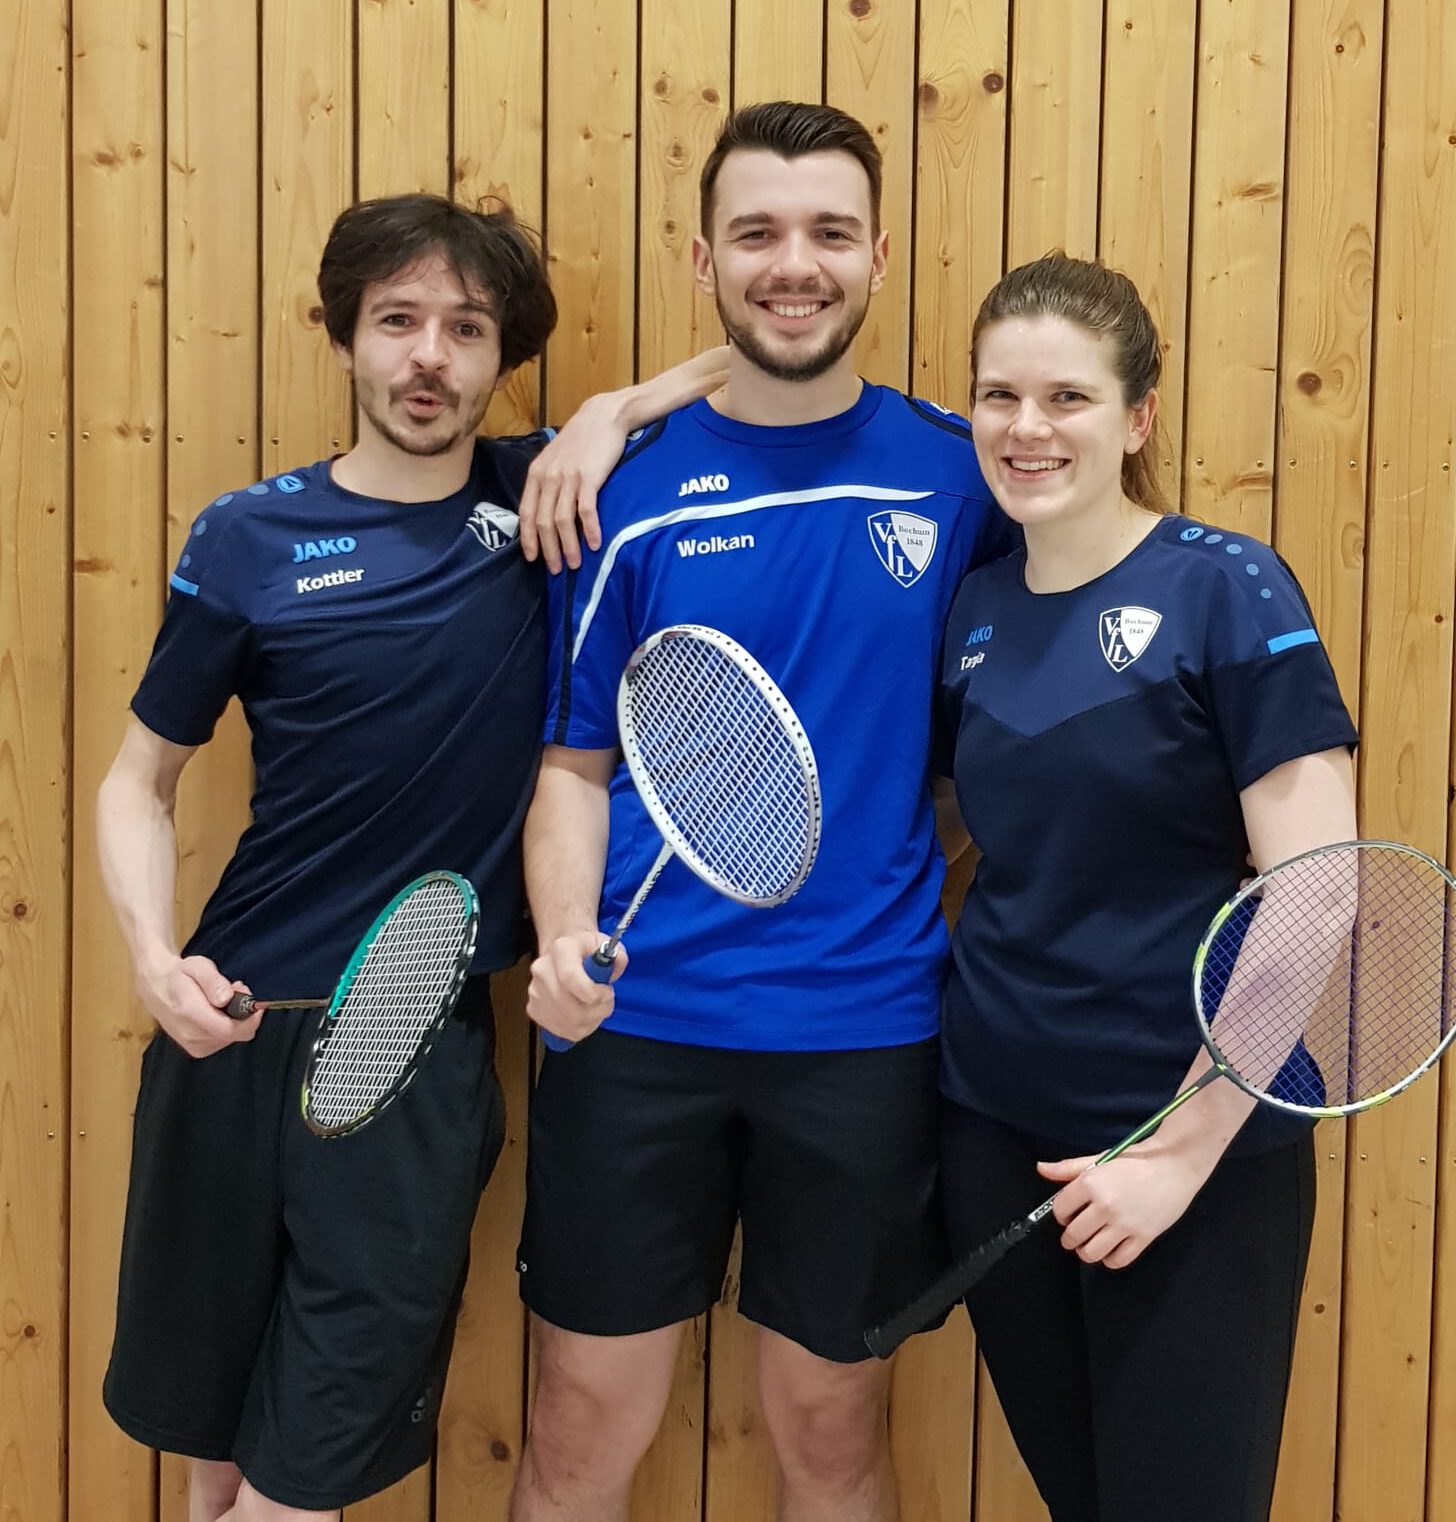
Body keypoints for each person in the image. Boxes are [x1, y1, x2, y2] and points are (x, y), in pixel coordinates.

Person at [96, 191, 724, 1522]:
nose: (429, 355)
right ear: (343, 335)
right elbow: (137, 783)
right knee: (214, 1467)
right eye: (397, 320)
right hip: (230, 1027)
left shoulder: (540, 501)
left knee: (292, 1491)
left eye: (467, 327)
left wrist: (608, 414)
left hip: (408, 1043)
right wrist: (153, 959)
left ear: (502, 359)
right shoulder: (246, 536)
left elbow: (759, 362)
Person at [510, 101, 1008, 1522]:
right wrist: (564, 936)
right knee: (576, 1431)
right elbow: (573, 765)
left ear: (880, 256)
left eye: (831, 232)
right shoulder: (621, 493)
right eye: (758, 234)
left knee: (832, 1435)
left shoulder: (961, 474)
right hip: (634, 1028)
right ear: (704, 258)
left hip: (864, 1033)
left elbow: (993, 741)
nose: (796, 264)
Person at [933, 252, 1359, 1522]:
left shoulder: (1226, 585)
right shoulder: (973, 609)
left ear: (1137, 418)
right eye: (1000, 396)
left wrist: (1178, 1156)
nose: (1027, 427)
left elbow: (1317, 892)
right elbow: (960, 836)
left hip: (1195, 1152)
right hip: (997, 1133)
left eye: (1067, 396)